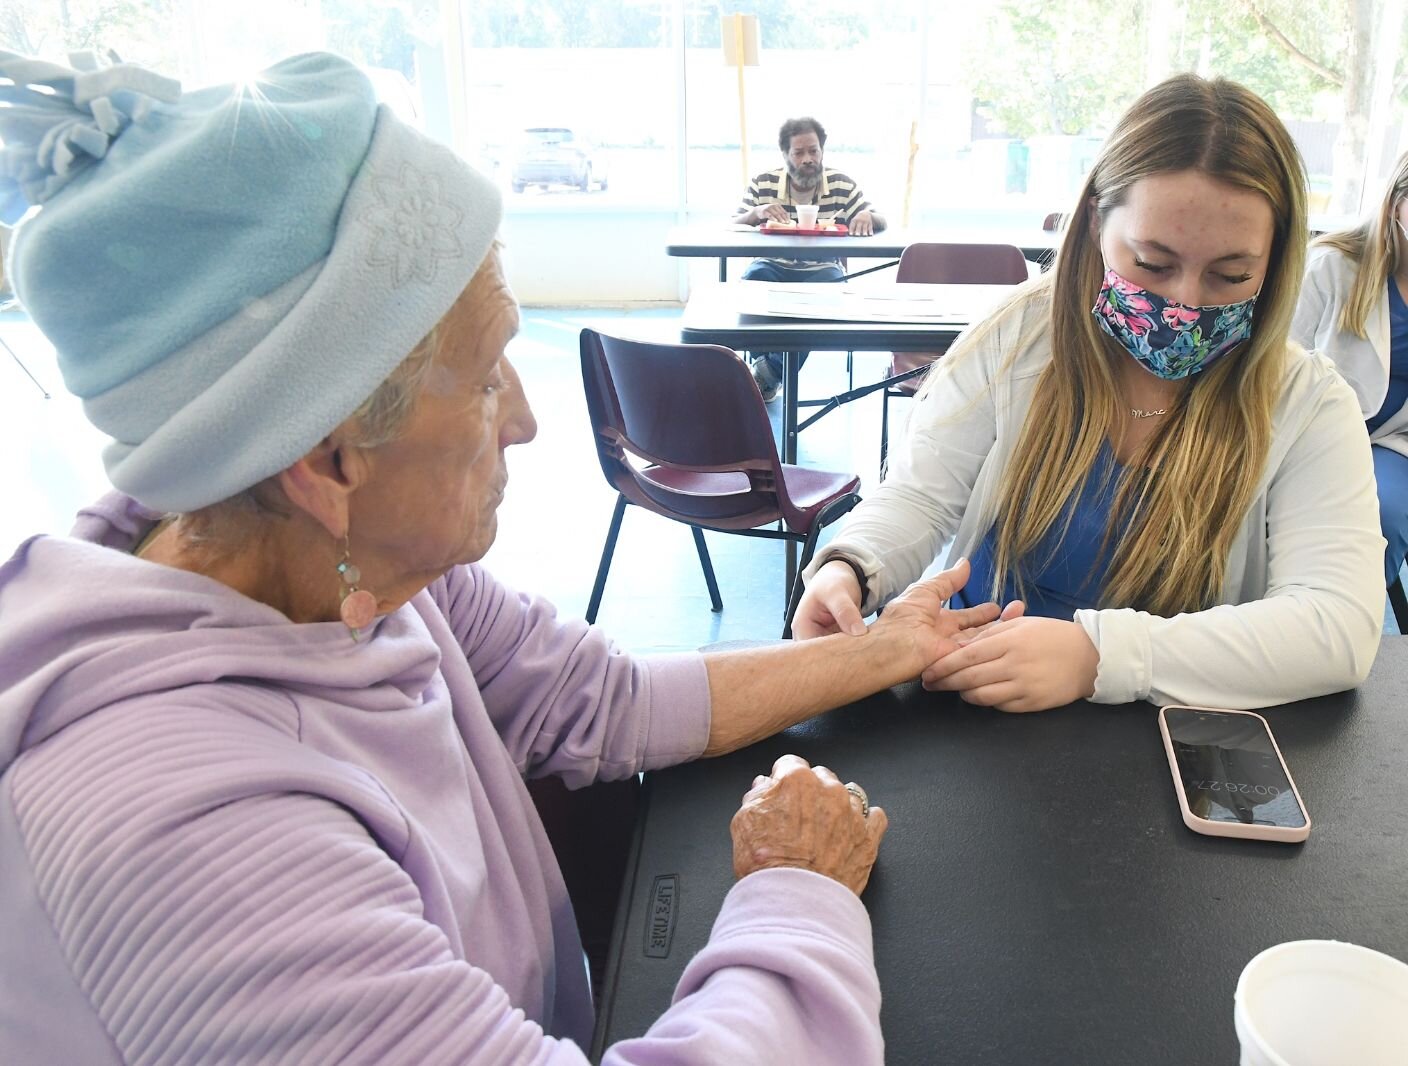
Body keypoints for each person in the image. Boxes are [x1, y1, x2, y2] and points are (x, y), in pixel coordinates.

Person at [0, 51, 1000, 1064]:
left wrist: (886, 647)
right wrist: (797, 894)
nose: (522, 420)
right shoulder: (190, 838)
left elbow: (600, 698)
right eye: (484, 378)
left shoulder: (351, 570)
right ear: (325, 458)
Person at [792, 74, 1386, 713]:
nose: (1185, 303)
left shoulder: (1310, 405)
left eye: (1230, 274)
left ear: (1275, 264)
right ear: (1096, 224)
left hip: (1161, 728)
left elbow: (1336, 627)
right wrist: (853, 567)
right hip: (968, 685)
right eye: (1152, 263)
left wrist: (1097, 656)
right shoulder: (1015, 341)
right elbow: (921, 495)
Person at [1291, 151, 1408, 588]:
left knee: (1384, 513)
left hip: (1392, 445)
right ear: (1396, 202)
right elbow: (1275, 365)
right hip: (1310, 433)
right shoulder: (1332, 266)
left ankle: (1345, 634)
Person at [733, 116, 886, 401]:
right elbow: (735, 223)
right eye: (799, 152)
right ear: (785, 155)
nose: (807, 159)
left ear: (822, 151)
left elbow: (880, 219)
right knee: (753, 280)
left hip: (823, 267)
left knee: (828, 290)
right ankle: (767, 370)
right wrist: (757, 212)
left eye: (813, 151)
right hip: (772, 264)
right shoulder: (763, 183)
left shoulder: (841, 184)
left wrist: (867, 216)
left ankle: (766, 375)